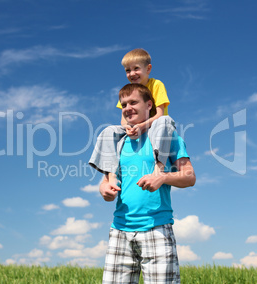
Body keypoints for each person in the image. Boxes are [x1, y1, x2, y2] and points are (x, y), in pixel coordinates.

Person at [95, 84, 196, 283]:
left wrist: (163, 177)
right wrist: (104, 189)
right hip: (119, 231)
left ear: (149, 105)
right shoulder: (119, 142)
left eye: (133, 102)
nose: (127, 107)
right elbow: (105, 182)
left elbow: (189, 176)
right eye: (124, 104)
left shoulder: (167, 136)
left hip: (156, 229)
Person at [89, 48, 175, 187]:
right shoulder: (128, 91)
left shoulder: (156, 85)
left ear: (148, 69)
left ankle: (158, 168)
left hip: (155, 127)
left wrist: (142, 126)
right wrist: (128, 127)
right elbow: (124, 119)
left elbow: (160, 114)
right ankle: (111, 175)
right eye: (128, 70)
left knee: (165, 121)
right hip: (135, 128)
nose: (132, 73)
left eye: (136, 68)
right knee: (109, 131)